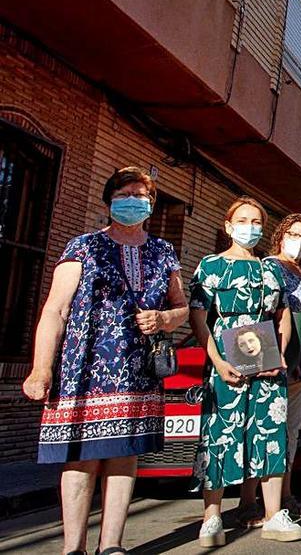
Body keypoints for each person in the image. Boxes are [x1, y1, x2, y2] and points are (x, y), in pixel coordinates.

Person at [23, 167, 188, 555]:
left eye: (141, 195)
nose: (133, 200)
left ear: (151, 205)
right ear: (109, 200)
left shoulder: (163, 251)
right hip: (84, 367)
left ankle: (111, 544)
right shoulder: (83, 246)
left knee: (123, 455)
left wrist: (165, 318)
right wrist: (41, 367)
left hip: (136, 370)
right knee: (81, 458)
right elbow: (55, 311)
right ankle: (73, 548)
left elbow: (180, 305)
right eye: (125, 193)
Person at [189, 197, 301, 546]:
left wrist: (279, 355)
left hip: (267, 359)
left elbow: (282, 313)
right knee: (220, 433)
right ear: (228, 226)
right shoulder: (210, 266)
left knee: (270, 434)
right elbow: (198, 316)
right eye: (243, 220)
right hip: (225, 358)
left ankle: (273, 514)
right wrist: (218, 362)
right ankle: (211, 517)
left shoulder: (270, 269)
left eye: (256, 221)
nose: (250, 227)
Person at [236, 214, 301, 526]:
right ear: (281, 235)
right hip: (272, 362)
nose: (299, 241)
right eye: (294, 234)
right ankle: (248, 503)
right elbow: (258, 314)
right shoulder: (267, 266)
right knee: (261, 429)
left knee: (290, 433)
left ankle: (285, 498)